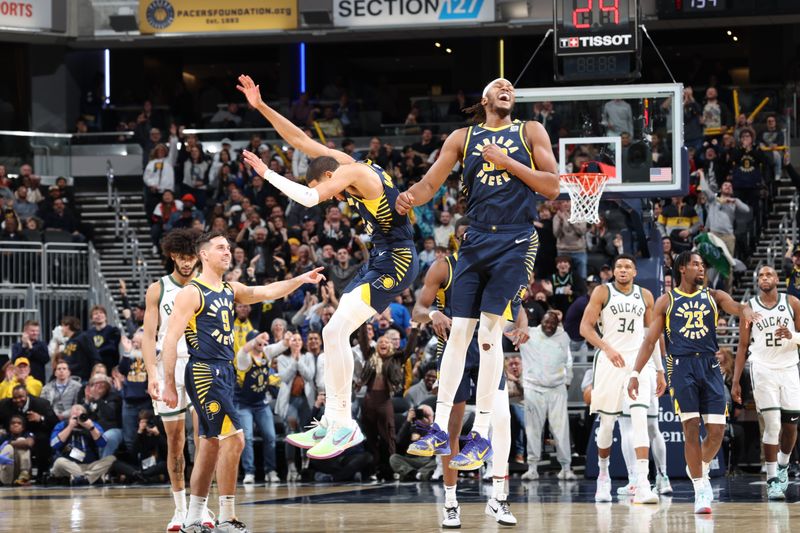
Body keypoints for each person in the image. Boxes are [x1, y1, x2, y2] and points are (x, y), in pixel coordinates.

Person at [237, 75, 420, 459]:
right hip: (381, 257)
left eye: (326, 187)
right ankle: (334, 420)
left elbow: (306, 198)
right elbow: (300, 141)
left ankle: (343, 423)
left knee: (335, 330)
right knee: (332, 331)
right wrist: (261, 107)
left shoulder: (351, 172)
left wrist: (267, 174)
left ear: (327, 177)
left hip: (398, 259)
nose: (328, 197)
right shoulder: (341, 164)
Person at [394, 78, 559, 472]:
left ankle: (481, 432)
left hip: (517, 239)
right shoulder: (462, 137)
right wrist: (409, 197)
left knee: (488, 334)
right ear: (485, 98)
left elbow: (552, 186)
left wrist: (508, 163)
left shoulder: (530, 130)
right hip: (475, 240)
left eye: (511, 87)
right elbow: (431, 182)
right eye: (499, 85)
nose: (507, 88)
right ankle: (438, 425)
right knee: (458, 335)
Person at [161, 230, 324, 533]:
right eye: (221, 247)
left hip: (224, 372)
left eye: (229, 247)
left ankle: (194, 518)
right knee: (235, 439)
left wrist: (300, 279)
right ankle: (227, 518)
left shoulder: (228, 288)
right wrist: (169, 383)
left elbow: (267, 291)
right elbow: (170, 340)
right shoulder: (191, 293)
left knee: (210, 445)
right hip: (204, 371)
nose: (227, 251)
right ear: (204, 255)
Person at [410, 216, 528, 528]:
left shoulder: (497, 265)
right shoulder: (444, 266)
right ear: (459, 240)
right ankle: (450, 502)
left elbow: (516, 304)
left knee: (501, 422)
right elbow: (418, 310)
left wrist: (522, 326)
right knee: (451, 429)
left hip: (487, 349)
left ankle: (499, 498)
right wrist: (434, 313)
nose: (471, 240)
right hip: (454, 347)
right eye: (465, 236)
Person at [629, 251, 756, 514]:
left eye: (702, 265)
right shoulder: (666, 301)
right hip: (681, 366)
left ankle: (700, 465)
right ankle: (700, 488)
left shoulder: (714, 295)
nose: (701, 269)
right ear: (682, 269)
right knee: (690, 428)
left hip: (710, 365)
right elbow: (650, 341)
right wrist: (634, 373)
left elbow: (735, 306)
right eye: (696, 264)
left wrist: (747, 310)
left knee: (717, 431)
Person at [140, 228, 213, 532]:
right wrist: (151, 374)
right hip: (167, 366)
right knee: (175, 442)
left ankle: (203, 507)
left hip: (199, 365)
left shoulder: (207, 286)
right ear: (172, 255)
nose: (187, 264)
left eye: (192, 258)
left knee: (204, 441)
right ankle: (179, 510)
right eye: (183, 258)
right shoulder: (157, 289)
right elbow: (147, 335)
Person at [580, 254, 667, 505]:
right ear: (613, 272)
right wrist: (606, 347)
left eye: (628, 266)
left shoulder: (646, 296)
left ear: (635, 272)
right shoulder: (602, 292)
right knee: (606, 426)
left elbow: (652, 335)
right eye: (619, 266)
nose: (623, 270)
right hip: (609, 361)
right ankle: (603, 474)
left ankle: (642, 482)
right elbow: (585, 328)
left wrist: (659, 369)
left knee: (640, 419)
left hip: (638, 363)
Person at [732, 266, 800, 500]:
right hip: (762, 369)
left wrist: (792, 336)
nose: (764, 278)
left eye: (768, 275)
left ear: (777, 279)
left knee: (791, 426)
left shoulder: (792, 303)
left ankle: (782, 465)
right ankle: (772, 479)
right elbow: (742, 345)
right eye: (760, 275)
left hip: (789, 368)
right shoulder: (749, 308)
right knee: (772, 425)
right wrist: (735, 381)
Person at [519, 311, 576, 482]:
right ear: (541, 322)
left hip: (557, 389)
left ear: (557, 324)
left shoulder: (563, 336)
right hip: (533, 387)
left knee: (561, 429)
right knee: (533, 430)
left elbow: (568, 360)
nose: (549, 326)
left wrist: (568, 378)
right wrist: (519, 312)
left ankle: (566, 468)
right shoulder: (528, 333)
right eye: (546, 322)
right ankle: (532, 468)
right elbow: (506, 327)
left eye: (553, 323)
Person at [235, 331, 279, 484]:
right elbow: (242, 350)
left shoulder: (266, 354)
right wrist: (255, 340)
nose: (261, 345)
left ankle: (271, 470)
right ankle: (249, 472)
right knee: (247, 438)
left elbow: (280, 346)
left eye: (262, 342)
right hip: (243, 404)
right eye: (257, 342)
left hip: (261, 403)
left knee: (270, 436)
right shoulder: (244, 358)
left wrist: (287, 340)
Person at [50, 404, 115, 485]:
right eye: (75, 417)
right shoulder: (62, 425)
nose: (78, 420)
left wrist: (91, 428)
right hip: (69, 465)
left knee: (111, 459)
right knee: (59, 462)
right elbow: (53, 444)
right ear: (70, 416)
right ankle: (92, 477)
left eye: (80, 417)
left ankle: (82, 478)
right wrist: (69, 427)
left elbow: (103, 443)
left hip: (90, 465)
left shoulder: (92, 425)